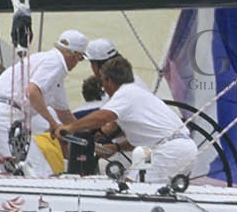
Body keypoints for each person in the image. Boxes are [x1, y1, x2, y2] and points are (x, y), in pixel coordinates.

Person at [54, 56, 197, 182]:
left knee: (132, 191)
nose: (103, 87)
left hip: (169, 151)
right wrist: (117, 147)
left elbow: (103, 117)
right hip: (175, 148)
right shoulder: (138, 93)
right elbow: (147, 136)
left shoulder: (125, 93)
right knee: (129, 184)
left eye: (103, 82)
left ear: (109, 81)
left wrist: (69, 128)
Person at [0, 29, 86, 161]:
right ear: (75, 55)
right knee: (38, 170)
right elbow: (32, 92)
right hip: (5, 117)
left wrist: (86, 138)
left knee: (14, 170)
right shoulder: (56, 63)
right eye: (80, 59)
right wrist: (53, 124)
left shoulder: (48, 67)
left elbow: (64, 113)